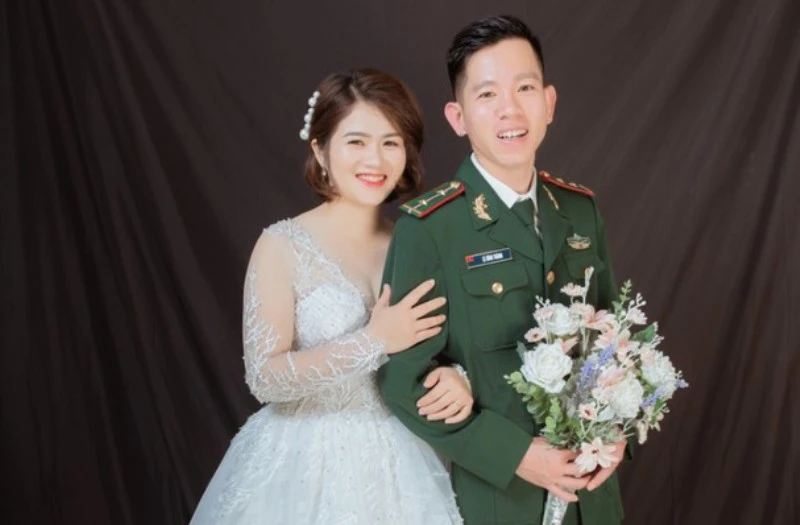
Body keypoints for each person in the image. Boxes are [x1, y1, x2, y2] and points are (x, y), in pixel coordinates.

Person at [190, 68, 472, 524]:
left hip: (408, 465)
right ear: (320, 149)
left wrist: (458, 377)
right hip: (302, 466)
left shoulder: (420, 243)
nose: (375, 160)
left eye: (391, 142)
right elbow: (265, 378)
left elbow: (451, 351)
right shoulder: (282, 245)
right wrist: (374, 341)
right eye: (356, 141)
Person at [379, 15, 628, 525]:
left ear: (549, 103)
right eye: (488, 94)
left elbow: (612, 340)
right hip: (501, 499)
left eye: (525, 88)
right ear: (458, 117)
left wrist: (617, 427)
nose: (510, 109)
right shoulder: (431, 228)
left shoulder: (579, 210)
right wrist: (514, 455)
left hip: (594, 495)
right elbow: (402, 378)